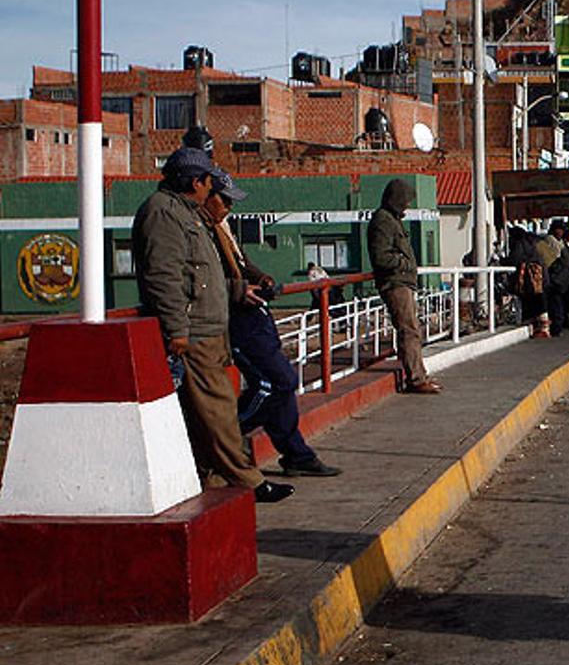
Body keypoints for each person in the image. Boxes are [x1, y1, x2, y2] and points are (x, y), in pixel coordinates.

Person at [131, 148, 293, 503]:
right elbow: (164, 277)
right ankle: (248, 480)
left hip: (210, 328)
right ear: (195, 182)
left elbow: (205, 275)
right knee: (217, 410)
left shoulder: (186, 214)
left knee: (206, 413)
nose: (210, 189)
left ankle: (212, 476)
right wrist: (178, 329)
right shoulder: (163, 214)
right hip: (195, 332)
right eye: (208, 182)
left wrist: (235, 290)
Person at [203, 171, 341, 478]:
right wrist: (238, 290)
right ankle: (222, 439)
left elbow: (240, 263)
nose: (229, 207)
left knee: (282, 385)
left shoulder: (221, 227)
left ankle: (296, 454)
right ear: (204, 193)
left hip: (253, 315)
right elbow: (199, 279)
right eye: (224, 200)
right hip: (234, 318)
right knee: (276, 383)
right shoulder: (197, 229)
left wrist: (260, 278)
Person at [368, 179, 441, 394]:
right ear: (396, 199)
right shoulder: (383, 221)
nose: (408, 205)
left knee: (412, 329)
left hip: (402, 282)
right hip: (395, 283)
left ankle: (419, 374)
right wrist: (405, 264)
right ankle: (416, 379)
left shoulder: (392, 219)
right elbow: (381, 257)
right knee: (409, 330)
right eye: (405, 201)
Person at [504, 225, 551, 338]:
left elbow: (515, 259)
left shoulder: (521, 243)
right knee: (540, 301)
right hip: (541, 275)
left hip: (529, 278)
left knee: (530, 301)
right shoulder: (536, 241)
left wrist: (504, 261)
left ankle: (537, 328)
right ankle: (544, 328)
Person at [542, 221, 569, 336]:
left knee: (559, 304)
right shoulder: (550, 241)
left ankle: (558, 326)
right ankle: (556, 327)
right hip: (555, 279)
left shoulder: (559, 242)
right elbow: (552, 261)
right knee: (555, 304)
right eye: (560, 229)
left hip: (560, 278)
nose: (562, 232)